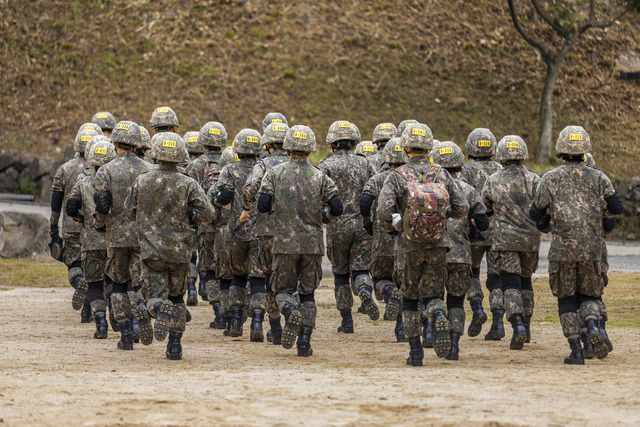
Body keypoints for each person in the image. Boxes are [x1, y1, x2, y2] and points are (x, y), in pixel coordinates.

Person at [529, 126, 623, 364]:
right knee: (589, 295)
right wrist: (595, 216)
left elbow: (535, 212)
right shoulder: (598, 176)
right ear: (585, 149)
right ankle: (592, 326)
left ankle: (576, 351)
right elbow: (617, 208)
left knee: (567, 299)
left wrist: (551, 219)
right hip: (591, 250)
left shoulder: (550, 178)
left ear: (561, 149)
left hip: (562, 251)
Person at [377, 122, 468, 366]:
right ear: (429, 147)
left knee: (409, 296)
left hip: (408, 246)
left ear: (406, 148)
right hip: (438, 244)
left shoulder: (396, 176)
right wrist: (439, 216)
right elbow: (462, 208)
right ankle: (438, 314)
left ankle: (415, 352)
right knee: (434, 293)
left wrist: (396, 227)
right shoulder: (442, 173)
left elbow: (383, 211)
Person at [125, 132, 214, 360]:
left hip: (152, 251)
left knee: (154, 296)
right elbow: (208, 213)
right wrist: (191, 216)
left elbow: (129, 211)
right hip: (180, 252)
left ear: (156, 155)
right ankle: (174, 347)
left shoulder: (142, 181)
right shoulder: (188, 183)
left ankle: (156, 308)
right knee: (176, 299)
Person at [257, 125, 342, 355]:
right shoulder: (319, 175)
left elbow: (262, 205)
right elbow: (337, 207)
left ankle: (289, 312)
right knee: (308, 294)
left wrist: (278, 209)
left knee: (283, 290)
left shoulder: (275, 173)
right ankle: (304, 342)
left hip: (284, 244)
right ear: (310, 148)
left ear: (288, 146)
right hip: (313, 245)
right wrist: (325, 217)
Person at [94, 121, 152, 350]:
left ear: (115, 143)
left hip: (116, 237)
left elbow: (101, 205)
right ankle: (139, 314)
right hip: (142, 237)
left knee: (116, 283)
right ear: (137, 144)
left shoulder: (106, 170)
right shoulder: (149, 169)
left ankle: (126, 333)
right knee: (137, 283)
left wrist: (100, 225)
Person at [430, 141, 490, 359]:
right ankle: (454, 345)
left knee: (432, 295)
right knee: (455, 300)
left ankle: (431, 331)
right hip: (461, 255)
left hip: (433, 252)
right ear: (459, 164)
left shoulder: (426, 189)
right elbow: (483, 222)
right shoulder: (468, 189)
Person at [482, 136, 541, 349]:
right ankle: (527, 323)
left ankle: (517, 325)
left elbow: (485, 208)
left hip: (503, 240)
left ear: (502, 156)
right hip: (530, 240)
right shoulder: (534, 179)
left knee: (510, 285)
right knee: (526, 282)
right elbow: (542, 206)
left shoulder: (493, 180)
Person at [319, 120, 377, 333]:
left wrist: (325, 217)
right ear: (354, 142)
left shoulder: (326, 166)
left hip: (337, 228)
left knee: (341, 275)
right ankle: (364, 289)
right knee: (361, 269)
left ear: (332, 143)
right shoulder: (366, 163)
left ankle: (347, 322)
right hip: (362, 227)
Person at [240, 122, 291, 345]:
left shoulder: (263, 165)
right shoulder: (296, 163)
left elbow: (249, 189)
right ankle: (292, 314)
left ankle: (276, 329)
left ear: (268, 144)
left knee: (268, 278)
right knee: (291, 279)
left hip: (268, 231)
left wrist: (249, 208)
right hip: (294, 232)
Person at [214, 129, 265, 340]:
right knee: (258, 278)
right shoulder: (265, 168)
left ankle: (235, 320)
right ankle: (257, 323)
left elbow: (223, 198)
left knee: (238, 276)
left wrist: (219, 199)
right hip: (261, 234)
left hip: (236, 232)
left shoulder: (229, 169)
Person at [66, 140, 117, 339]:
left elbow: (70, 207)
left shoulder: (83, 181)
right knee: (115, 281)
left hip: (91, 242)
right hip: (114, 241)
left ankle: (101, 324)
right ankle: (116, 310)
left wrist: (81, 218)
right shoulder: (117, 180)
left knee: (94, 284)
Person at [50, 126, 101, 322]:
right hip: (95, 228)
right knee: (96, 269)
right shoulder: (100, 169)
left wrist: (54, 227)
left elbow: (56, 202)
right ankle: (89, 310)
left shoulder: (64, 169)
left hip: (71, 227)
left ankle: (79, 282)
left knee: (75, 265)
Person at [360, 138, 407, 342]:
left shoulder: (377, 179)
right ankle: (402, 328)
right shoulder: (413, 178)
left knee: (380, 278)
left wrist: (368, 223)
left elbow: (365, 201)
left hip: (382, 240)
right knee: (406, 284)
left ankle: (388, 294)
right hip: (406, 241)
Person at [460, 128, 503, 339]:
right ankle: (498, 323)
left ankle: (477, 307)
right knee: (496, 277)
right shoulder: (500, 168)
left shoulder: (465, 170)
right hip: (497, 232)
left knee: (471, 272)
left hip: (474, 229)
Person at [187, 121, 228, 315]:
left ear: (202, 141)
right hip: (229, 225)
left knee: (209, 267)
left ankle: (218, 312)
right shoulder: (229, 161)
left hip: (205, 224)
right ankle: (232, 311)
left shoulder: (195, 165)